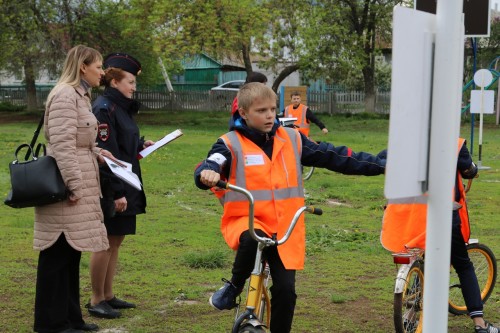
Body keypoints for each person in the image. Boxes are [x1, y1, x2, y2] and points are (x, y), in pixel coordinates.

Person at [194, 82, 386, 333]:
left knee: (286, 291)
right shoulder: (230, 143)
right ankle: (234, 287)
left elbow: (334, 156)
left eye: (273, 109)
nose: (270, 115)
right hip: (247, 220)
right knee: (253, 239)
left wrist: (381, 164)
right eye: (261, 110)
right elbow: (212, 162)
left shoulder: (293, 138)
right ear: (243, 113)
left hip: (286, 228)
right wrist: (206, 172)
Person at [381, 139, 499, 333]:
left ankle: (410, 316)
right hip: (442, 215)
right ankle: (480, 324)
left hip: (410, 214)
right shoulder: (454, 142)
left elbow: (384, 159)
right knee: (463, 264)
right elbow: (468, 168)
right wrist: (473, 169)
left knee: (419, 255)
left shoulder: (407, 139)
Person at [34, 45, 111, 333]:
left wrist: (100, 153)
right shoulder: (66, 95)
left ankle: (70, 319)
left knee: (71, 254)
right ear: (82, 66)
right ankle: (51, 324)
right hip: (67, 188)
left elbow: (78, 141)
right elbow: (63, 147)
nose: (102, 72)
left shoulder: (80, 94)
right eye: (98, 66)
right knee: (57, 255)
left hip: (78, 182)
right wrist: (75, 186)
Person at [86, 53, 154, 319]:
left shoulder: (121, 108)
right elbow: (107, 153)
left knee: (116, 241)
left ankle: (108, 295)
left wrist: (141, 145)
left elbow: (124, 143)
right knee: (103, 243)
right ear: (114, 82)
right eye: (130, 82)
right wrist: (117, 193)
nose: (133, 87)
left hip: (127, 181)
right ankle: (95, 299)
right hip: (113, 185)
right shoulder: (104, 108)